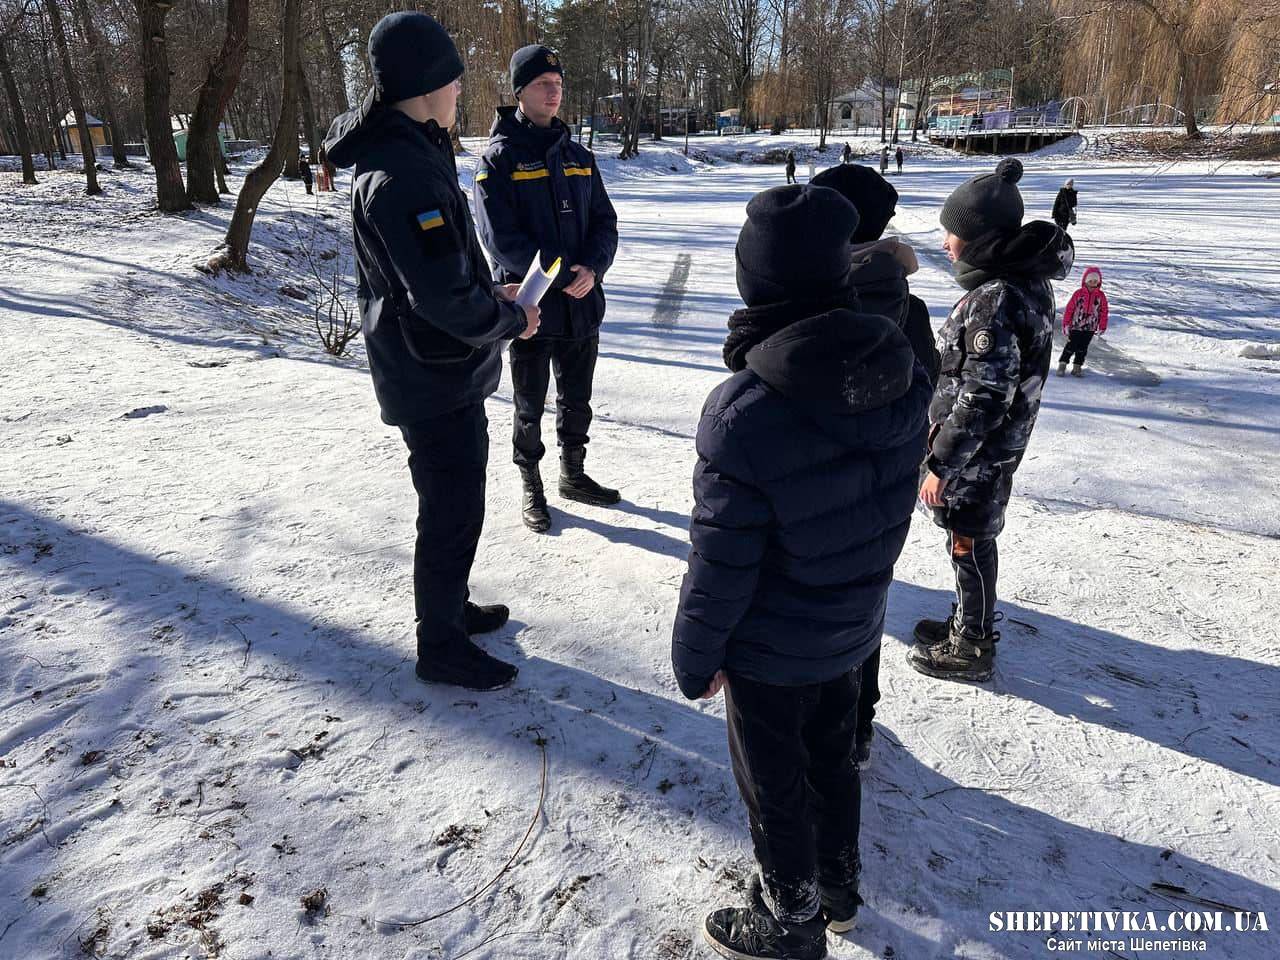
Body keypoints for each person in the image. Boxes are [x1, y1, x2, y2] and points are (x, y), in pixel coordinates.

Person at [671, 184, 931, 959]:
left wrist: (696, 657)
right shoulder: (902, 368)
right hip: (853, 626)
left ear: (757, 283)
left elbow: (720, 560)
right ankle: (840, 889)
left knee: (774, 781)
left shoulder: (744, 412)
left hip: (770, 650)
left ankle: (791, 918)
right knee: (833, 755)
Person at [323, 12, 540, 691]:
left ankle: (449, 609)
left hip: (439, 367)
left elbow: (446, 268)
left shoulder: (416, 147)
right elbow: (441, 298)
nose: (459, 92)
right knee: (449, 511)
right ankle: (439, 644)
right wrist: (510, 319)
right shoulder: (404, 174)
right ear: (423, 85)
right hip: (431, 373)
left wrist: (492, 291)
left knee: (457, 504)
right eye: (453, 80)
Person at [910, 158, 1073, 683]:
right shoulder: (1020, 283)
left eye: (951, 232)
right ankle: (966, 621)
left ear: (978, 237)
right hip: (989, 452)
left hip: (977, 457)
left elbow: (984, 397)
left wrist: (941, 462)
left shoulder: (996, 299)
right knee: (969, 538)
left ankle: (973, 644)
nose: (944, 242)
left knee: (970, 541)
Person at [811, 162, 940, 762]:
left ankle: (838, 723)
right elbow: (926, 393)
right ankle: (859, 719)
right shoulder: (907, 307)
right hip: (884, 498)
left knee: (816, 606)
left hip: (818, 495)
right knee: (866, 599)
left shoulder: (818, 302)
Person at [474, 44, 621, 533]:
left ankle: (573, 474)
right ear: (520, 91)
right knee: (529, 404)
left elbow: (605, 221)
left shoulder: (579, 155)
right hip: (532, 309)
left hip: (582, 306)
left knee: (577, 398)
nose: (554, 90)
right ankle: (531, 482)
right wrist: (557, 274)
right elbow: (500, 241)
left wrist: (594, 268)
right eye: (543, 83)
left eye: (558, 82)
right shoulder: (498, 160)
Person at [1059, 265, 1108, 376]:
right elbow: (1069, 309)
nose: (1092, 283)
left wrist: (1102, 326)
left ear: (1098, 282)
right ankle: (1062, 364)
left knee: (1083, 348)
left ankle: (1077, 367)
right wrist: (1066, 324)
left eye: (1095, 281)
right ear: (1086, 281)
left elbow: (1104, 311)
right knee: (1071, 345)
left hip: (1090, 327)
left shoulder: (1101, 296)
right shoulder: (1078, 293)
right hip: (1076, 325)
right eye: (1090, 280)